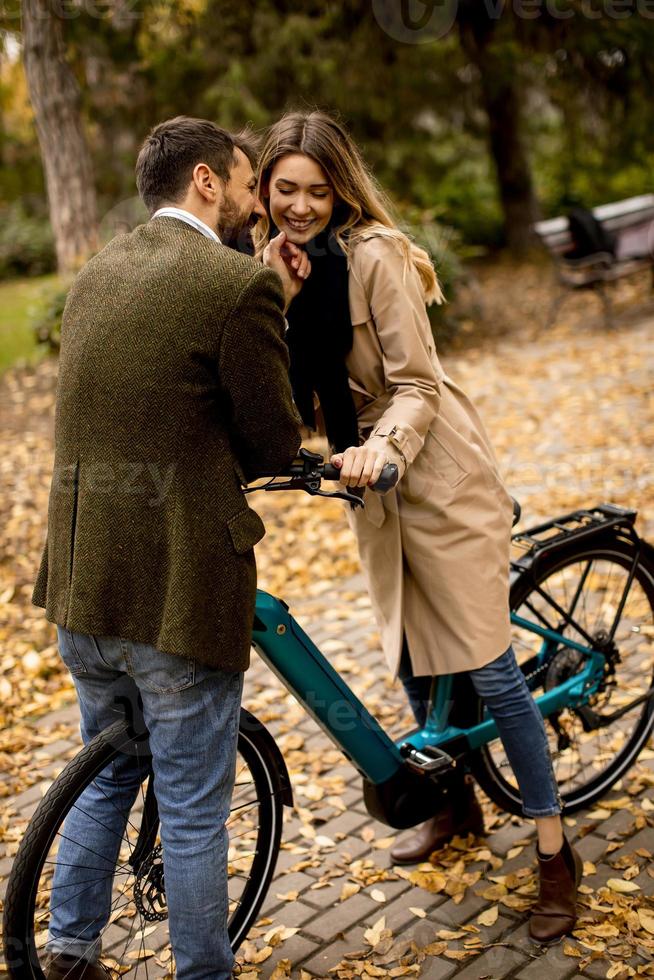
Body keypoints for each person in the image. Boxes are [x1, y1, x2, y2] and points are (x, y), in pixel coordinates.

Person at [253, 110, 583, 945]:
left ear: (341, 188)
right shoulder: (274, 265)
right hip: (369, 484)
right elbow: (289, 386)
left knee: (492, 672)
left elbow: (418, 386)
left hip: (432, 475)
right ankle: (457, 807)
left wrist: (382, 450)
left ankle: (554, 851)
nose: (299, 205)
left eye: (316, 191)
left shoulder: (378, 257)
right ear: (263, 188)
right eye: (283, 188)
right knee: (407, 651)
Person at [32, 116, 307, 980]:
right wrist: (279, 309)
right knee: (191, 811)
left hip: (85, 588)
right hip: (179, 595)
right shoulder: (235, 285)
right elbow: (271, 444)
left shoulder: (94, 275)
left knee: (109, 774)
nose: (260, 201)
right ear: (206, 181)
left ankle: (69, 952)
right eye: (250, 181)